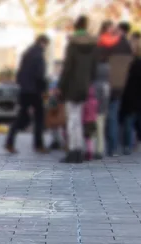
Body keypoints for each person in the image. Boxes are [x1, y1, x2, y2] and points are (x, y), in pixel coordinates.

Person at [58, 16, 97, 164]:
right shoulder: (93, 45)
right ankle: (79, 150)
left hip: (71, 86)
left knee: (72, 119)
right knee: (78, 118)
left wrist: (60, 86)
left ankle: (74, 151)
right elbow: (94, 68)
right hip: (84, 86)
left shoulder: (72, 45)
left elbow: (67, 68)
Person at [5, 35, 50, 154]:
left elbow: (19, 73)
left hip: (24, 90)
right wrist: (44, 89)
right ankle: (38, 145)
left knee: (22, 117)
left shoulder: (27, 53)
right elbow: (40, 75)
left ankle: (9, 142)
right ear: (43, 43)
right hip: (35, 91)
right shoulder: (39, 55)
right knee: (39, 118)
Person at [103, 21, 133, 157]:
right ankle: (113, 148)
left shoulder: (109, 46)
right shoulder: (128, 47)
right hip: (121, 87)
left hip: (107, 86)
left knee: (105, 117)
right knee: (114, 117)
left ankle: (105, 146)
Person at [120, 40, 141, 155]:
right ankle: (137, 142)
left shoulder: (135, 64)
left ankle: (127, 145)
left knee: (129, 121)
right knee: (137, 121)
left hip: (132, 97)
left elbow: (129, 82)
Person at [93, 57, 110, 160]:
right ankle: (99, 149)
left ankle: (93, 149)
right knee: (100, 127)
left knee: (94, 128)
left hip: (93, 107)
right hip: (102, 108)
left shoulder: (94, 83)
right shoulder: (106, 83)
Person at [82, 86, 99, 161]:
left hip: (86, 122)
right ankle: (92, 151)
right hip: (93, 121)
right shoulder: (96, 101)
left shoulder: (85, 102)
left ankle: (88, 151)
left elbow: (83, 113)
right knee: (92, 137)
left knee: (87, 138)